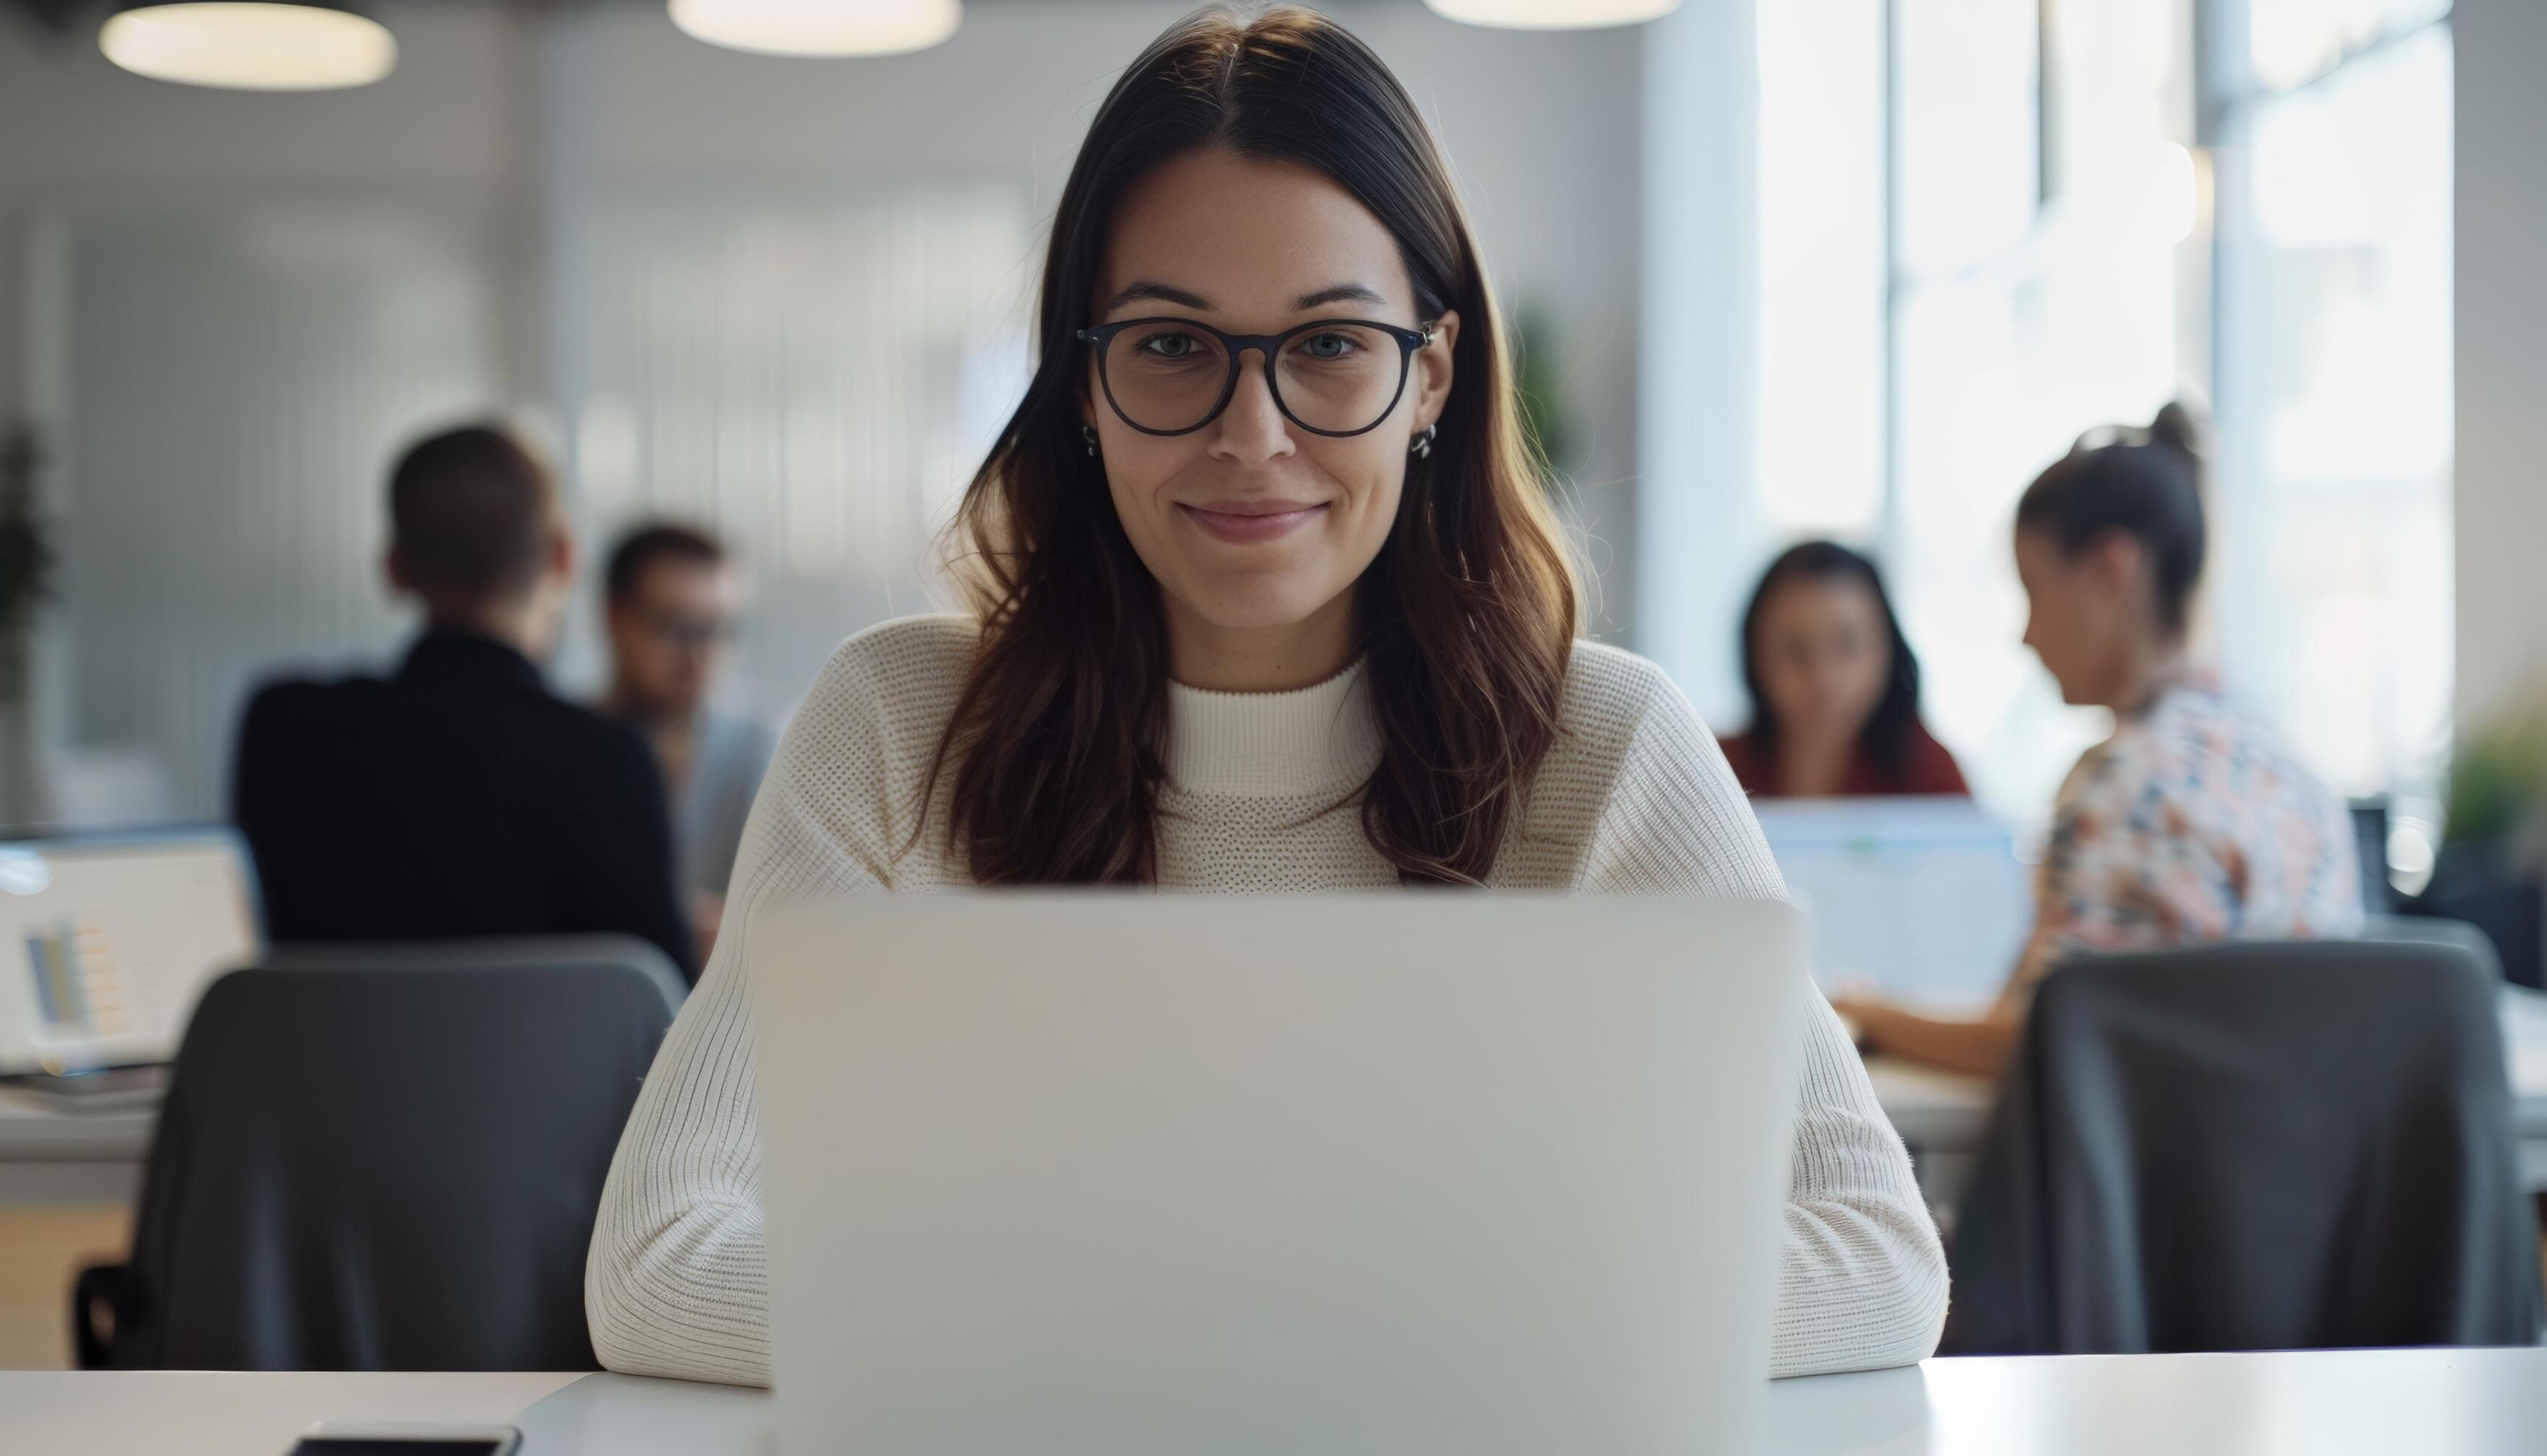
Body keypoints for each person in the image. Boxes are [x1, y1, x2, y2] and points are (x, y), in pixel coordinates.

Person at [585, 6, 1943, 1388]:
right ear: (1084, 384)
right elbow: (656, 1265)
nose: (1253, 436)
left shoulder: (1600, 747)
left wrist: (1180, 1325)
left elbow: (1874, 1259)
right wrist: (1295, 1325)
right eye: (1172, 347)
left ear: (1430, 376)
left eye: (1330, 346)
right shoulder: (897, 727)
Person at [1837, 406, 2363, 1077]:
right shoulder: (2293, 778)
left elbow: (2035, 1049)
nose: (2025, 636)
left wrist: (1864, 1013)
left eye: (2033, 592)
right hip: (2307, 1176)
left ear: (2109, 571)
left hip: (2171, 1180)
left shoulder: (2123, 784)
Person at [233, 424, 695, 977]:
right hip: (545, 1069)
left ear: (394, 567)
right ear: (564, 558)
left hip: (316, 1066)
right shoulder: (608, 761)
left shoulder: (284, 732)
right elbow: (671, 1022)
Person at [597, 523, 776, 960]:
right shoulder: (563, 749)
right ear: (616, 619)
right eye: (674, 626)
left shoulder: (761, 753)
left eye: (718, 629)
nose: (699, 655)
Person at [1719, 541, 1971, 798]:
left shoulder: (1931, 775)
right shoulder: (1716, 772)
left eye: (1847, 645)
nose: (1823, 678)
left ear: (1887, 649)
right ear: (1755, 653)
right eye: (1796, 651)